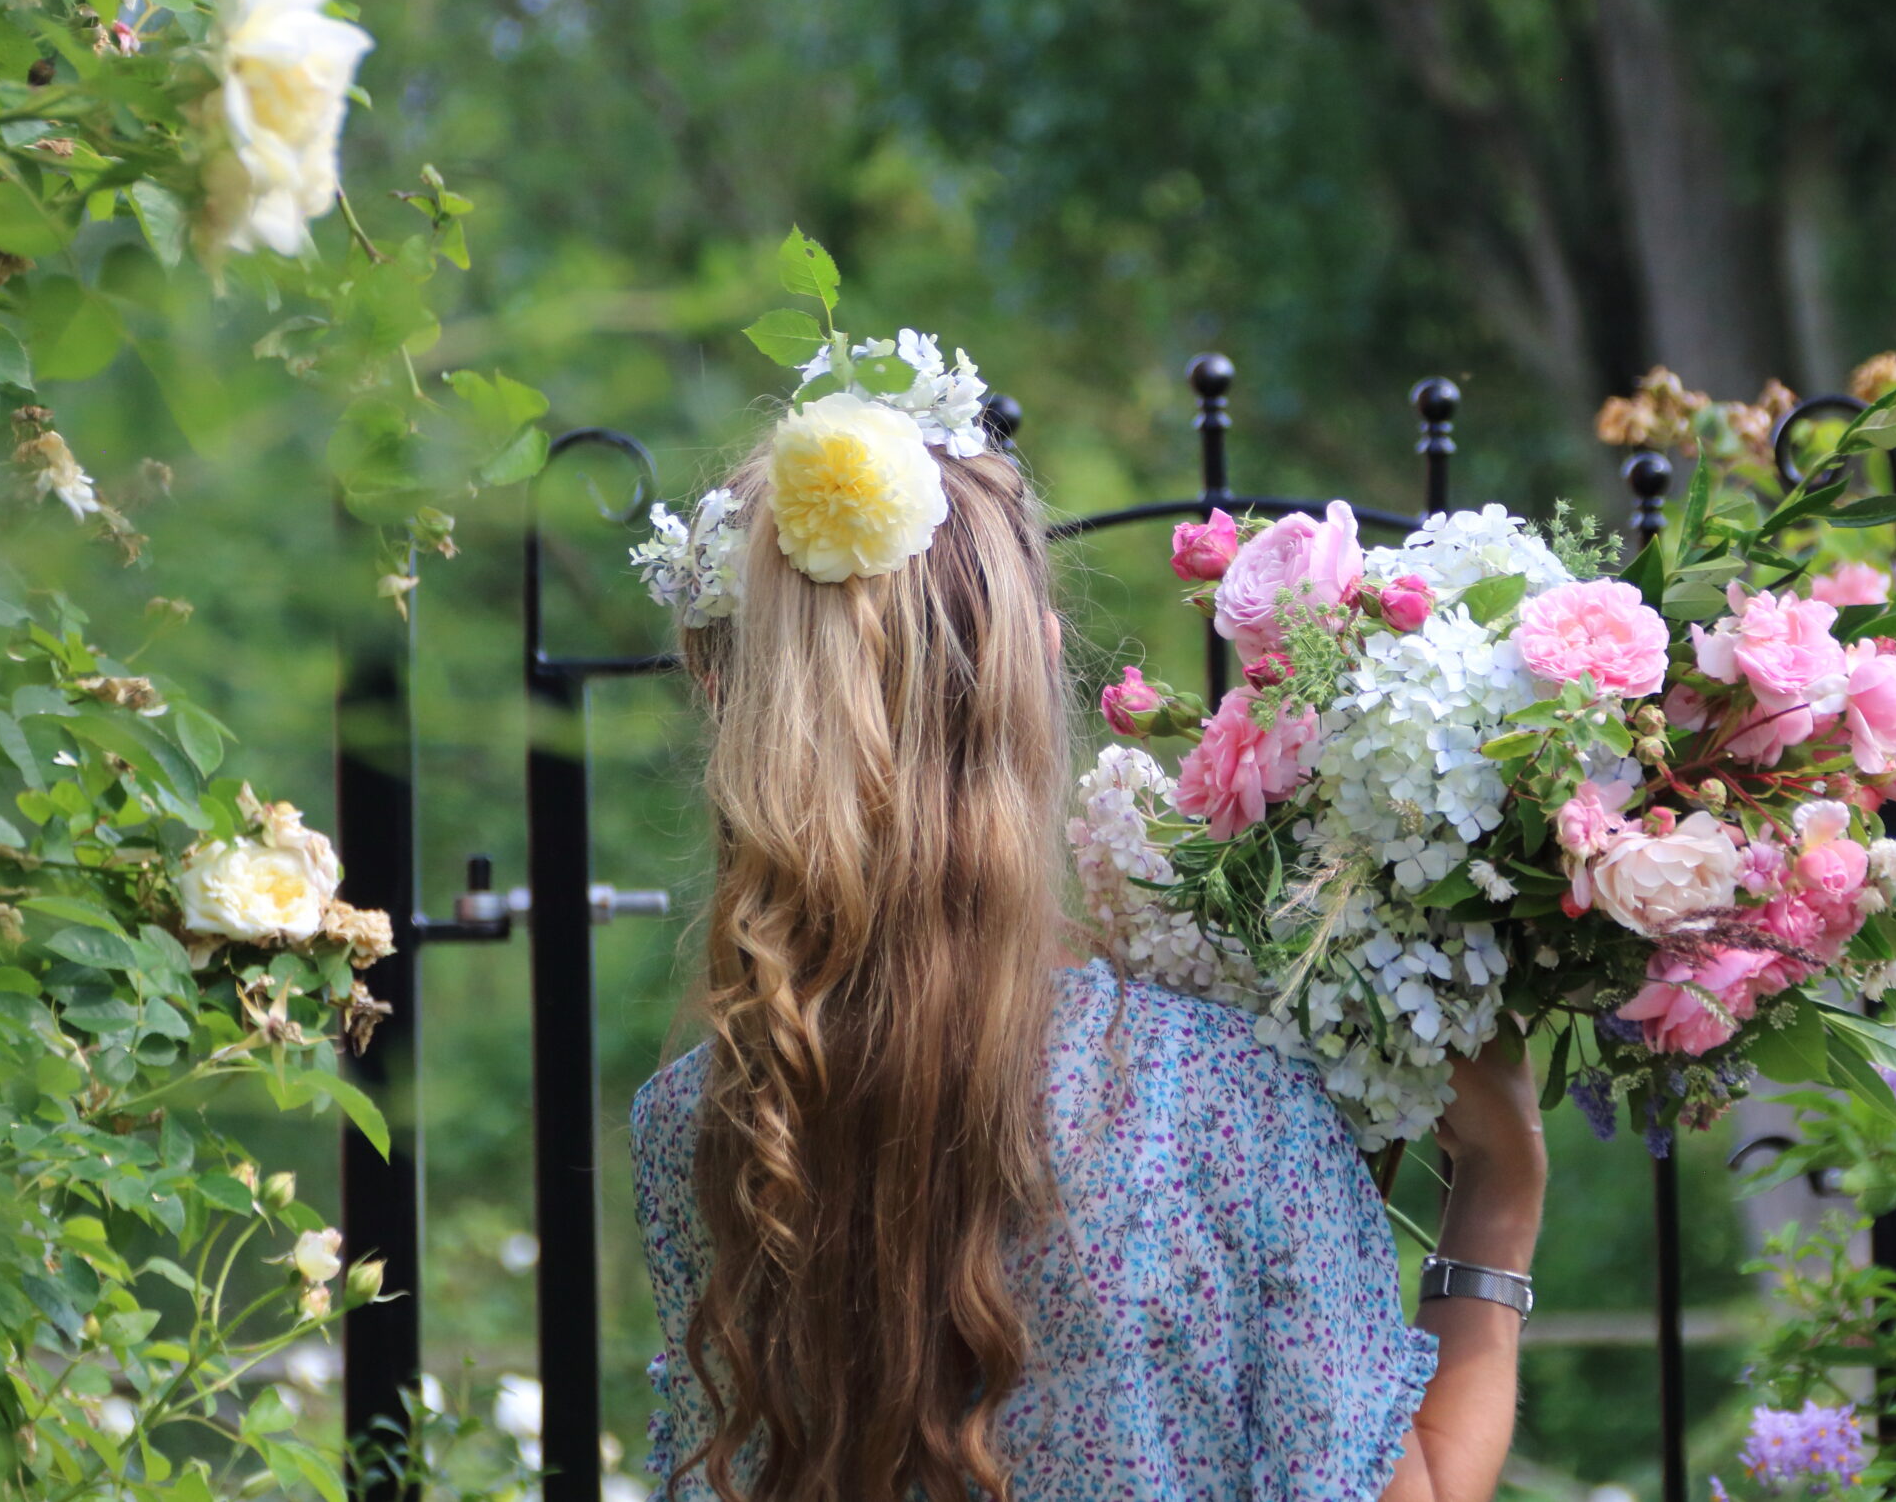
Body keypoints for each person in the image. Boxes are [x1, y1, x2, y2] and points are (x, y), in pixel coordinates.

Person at [629, 378, 1550, 1502]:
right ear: (1039, 667)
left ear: (736, 697)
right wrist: (1498, 1193)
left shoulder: (705, 1122)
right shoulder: (1225, 1094)